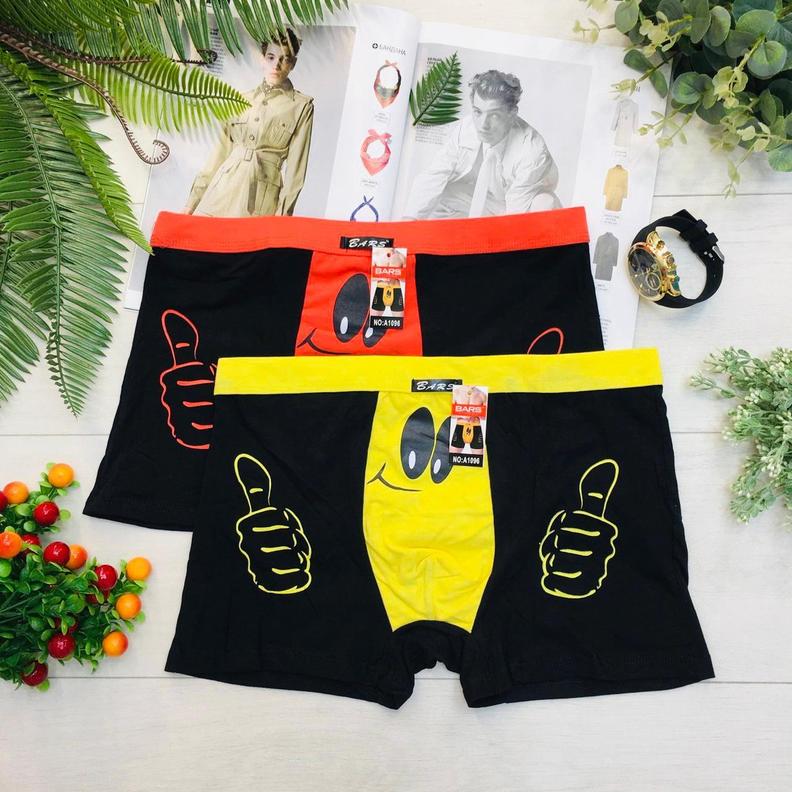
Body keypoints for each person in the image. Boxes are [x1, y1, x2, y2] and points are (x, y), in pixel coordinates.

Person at [185, 28, 314, 217]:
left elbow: (296, 172)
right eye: (271, 57)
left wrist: (282, 218)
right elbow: (217, 157)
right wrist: (190, 205)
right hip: (220, 194)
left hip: (260, 202)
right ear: (262, 59)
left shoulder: (301, 107)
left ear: (292, 64)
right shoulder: (239, 100)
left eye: (284, 59)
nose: (276, 65)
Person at [403, 70, 560, 219]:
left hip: (524, 204)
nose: (483, 125)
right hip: (491, 201)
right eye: (478, 112)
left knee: (544, 203)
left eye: (494, 115)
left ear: (512, 114)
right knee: (441, 191)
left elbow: (516, 212)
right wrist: (410, 219)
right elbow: (435, 174)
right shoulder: (466, 127)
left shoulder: (532, 151)